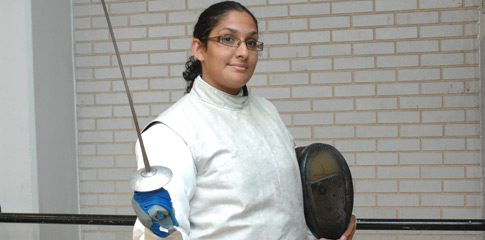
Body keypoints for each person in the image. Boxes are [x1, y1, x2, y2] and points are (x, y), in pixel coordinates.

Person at [132, 1, 356, 239]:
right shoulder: (170, 133)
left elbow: (287, 209)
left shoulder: (267, 111)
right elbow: (163, 232)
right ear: (199, 49)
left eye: (251, 42)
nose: (243, 52)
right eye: (228, 39)